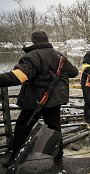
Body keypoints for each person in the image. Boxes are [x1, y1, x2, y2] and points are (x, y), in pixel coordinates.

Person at [0, 29, 78, 167]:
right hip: (54, 101)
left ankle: (15, 158)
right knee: (54, 127)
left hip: (35, 101)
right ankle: (58, 157)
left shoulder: (32, 56)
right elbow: (73, 72)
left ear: (34, 41)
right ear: (47, 40)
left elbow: (18, 77)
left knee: (22, 127)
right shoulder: (59, 55)